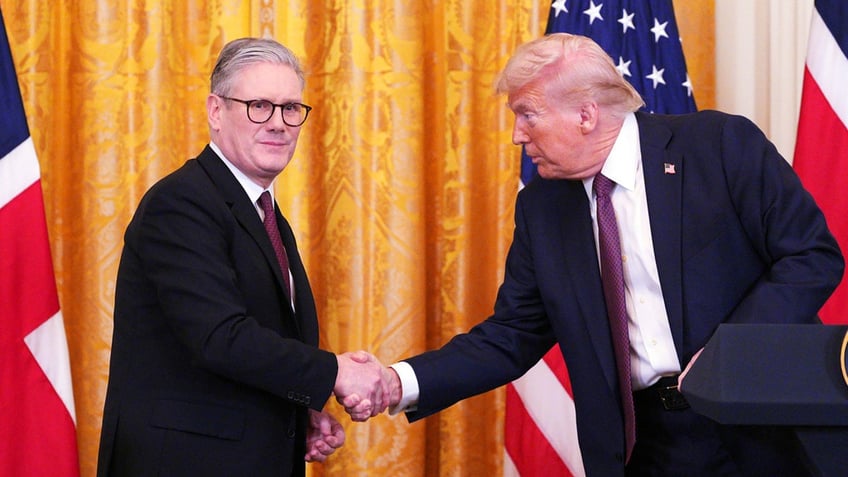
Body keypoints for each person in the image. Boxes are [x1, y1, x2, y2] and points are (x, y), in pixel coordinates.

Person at [344, 33, 844, 476]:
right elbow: (512, 335)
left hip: (761, 426)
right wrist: (397, 381)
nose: (518, 134)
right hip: (644, 446)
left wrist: (730, 356)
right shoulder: (542, 207)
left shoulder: (718, 146)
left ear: (586, 114)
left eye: (528, 115)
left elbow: (810, 255)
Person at [97, 37, 389, 477]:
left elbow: (265, 337)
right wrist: (335, 373)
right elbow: (221, 338)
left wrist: (297, 413)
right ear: (216, 112)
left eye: (291, 108)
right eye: (259, 106)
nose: (278, 123)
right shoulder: (181, 203)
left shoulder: (262, 211)